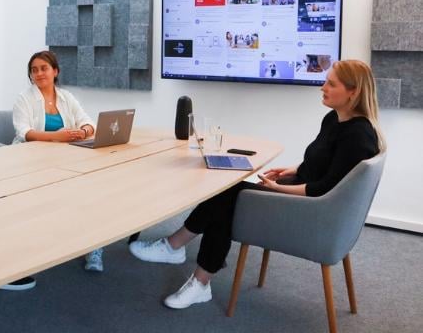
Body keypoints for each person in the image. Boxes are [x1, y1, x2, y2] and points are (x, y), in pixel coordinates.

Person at [129, 59, 384, 310]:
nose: (322, 87)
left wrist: (277, 188)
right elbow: (322, 164)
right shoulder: (334, 120)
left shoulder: (358, 136)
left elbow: (324, 189)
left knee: (228, 196)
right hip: (307, 198)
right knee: (228, 194)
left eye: (331, 84)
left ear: (353, 92)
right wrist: (292, 170)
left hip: (313, 212)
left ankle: (185, 260)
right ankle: (188, 264)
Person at [12, 51, 105, 272]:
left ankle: (94, 246)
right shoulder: (24, 99)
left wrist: (82, 132)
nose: (39, 73)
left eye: (43, 68)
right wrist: (57, 136)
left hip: (66, 156)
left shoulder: (67, 97)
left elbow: (88, 122)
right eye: (34, 70)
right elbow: (24, 132)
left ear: (55, 71)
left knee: (95, 188)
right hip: (30, 160)